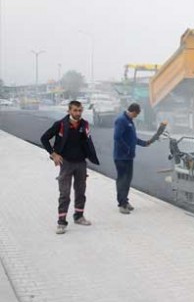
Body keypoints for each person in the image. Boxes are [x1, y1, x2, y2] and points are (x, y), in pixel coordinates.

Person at [41, 100, 99, 234]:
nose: (78, 113)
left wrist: (90, 158)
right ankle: (61, 222)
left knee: (81, 192)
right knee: (64, 194)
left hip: (81, 164)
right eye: (75, 110)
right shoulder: (60, 124)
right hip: (66, 163)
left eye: (80, 110)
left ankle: (79, 216)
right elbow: (44, 138)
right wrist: (53, 154)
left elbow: (87, 142)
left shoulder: (84, 124)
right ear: (69, 111)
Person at [113, 103, 165, 214]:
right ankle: (121, 204)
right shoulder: (121, 120)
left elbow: (133, 138)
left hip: (129, 157)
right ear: (133, 112)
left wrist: (145, 143)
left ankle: (125, 201)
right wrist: (127, 150)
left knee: (128, 180)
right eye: (136, 114)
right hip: (121, 157)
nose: (136, 117)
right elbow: (117, 137)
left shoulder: (129, 121)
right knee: (122, 180)